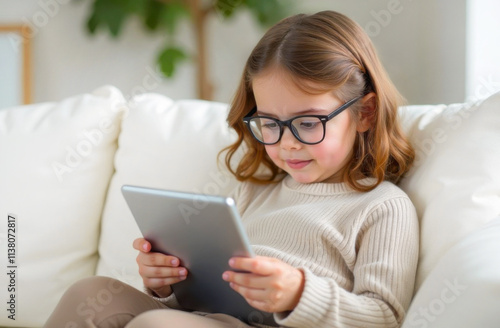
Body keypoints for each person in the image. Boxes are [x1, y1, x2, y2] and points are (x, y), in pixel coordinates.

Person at [44, 10, 419, 328]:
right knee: (88, 293)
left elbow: (384, 316)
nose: (287, 143)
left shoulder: (382, 206)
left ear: (365, 113)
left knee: (155, 324)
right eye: (270, 124)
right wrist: (167, 285)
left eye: (308, 123)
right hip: (214, 318)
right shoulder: (254, 193)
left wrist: (298, 294)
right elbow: (200, 305)